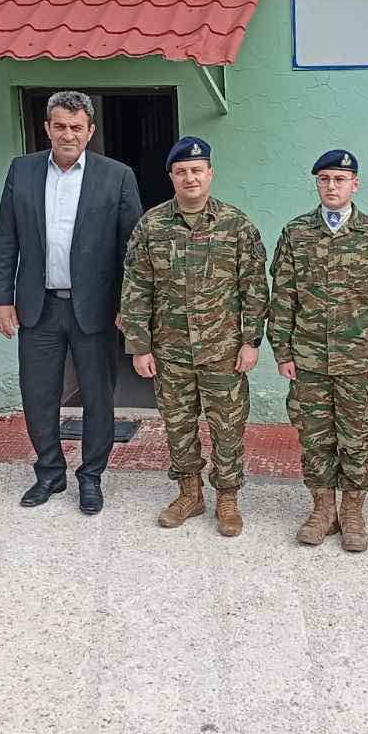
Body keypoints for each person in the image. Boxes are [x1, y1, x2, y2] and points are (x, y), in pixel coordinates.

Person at [0, 90, 143, 514]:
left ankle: (91, 476)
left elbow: (133, 249)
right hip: (38, 306)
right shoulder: (22, 171)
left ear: (90, 131)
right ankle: (49, 473)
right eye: (60, 126)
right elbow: (6, 240)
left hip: (95, 308)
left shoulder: (116, 176)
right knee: (38, 393)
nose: (68, 134)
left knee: (98, 396)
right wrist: (2, 300)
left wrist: (128, 305)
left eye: (76, 127)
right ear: (47, 128)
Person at [120, 137, 269, 538]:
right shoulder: (151, 226)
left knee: (228, 427)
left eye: (197, 170)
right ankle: (190, 493)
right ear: (171, 176)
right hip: (170, 352)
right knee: (178, 425)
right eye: (181, 171)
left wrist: (251, 341)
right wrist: (139, 347)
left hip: (224, 350)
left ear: (210, 174)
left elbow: (254, 288)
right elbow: (136, 288)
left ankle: (227, 497)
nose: (190, 177)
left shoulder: (236, 225)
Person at [268, 149, 368, 552]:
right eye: (324, 179)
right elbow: (283, 296)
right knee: (314, 438)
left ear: (354, 185)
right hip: (308, 359)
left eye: (340, 179)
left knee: (357, 438)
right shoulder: (296, 233)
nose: (331, 186)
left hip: (359, 360)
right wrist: (282, 350)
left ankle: (353, 513)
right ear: (317, 183)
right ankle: (322, 510)